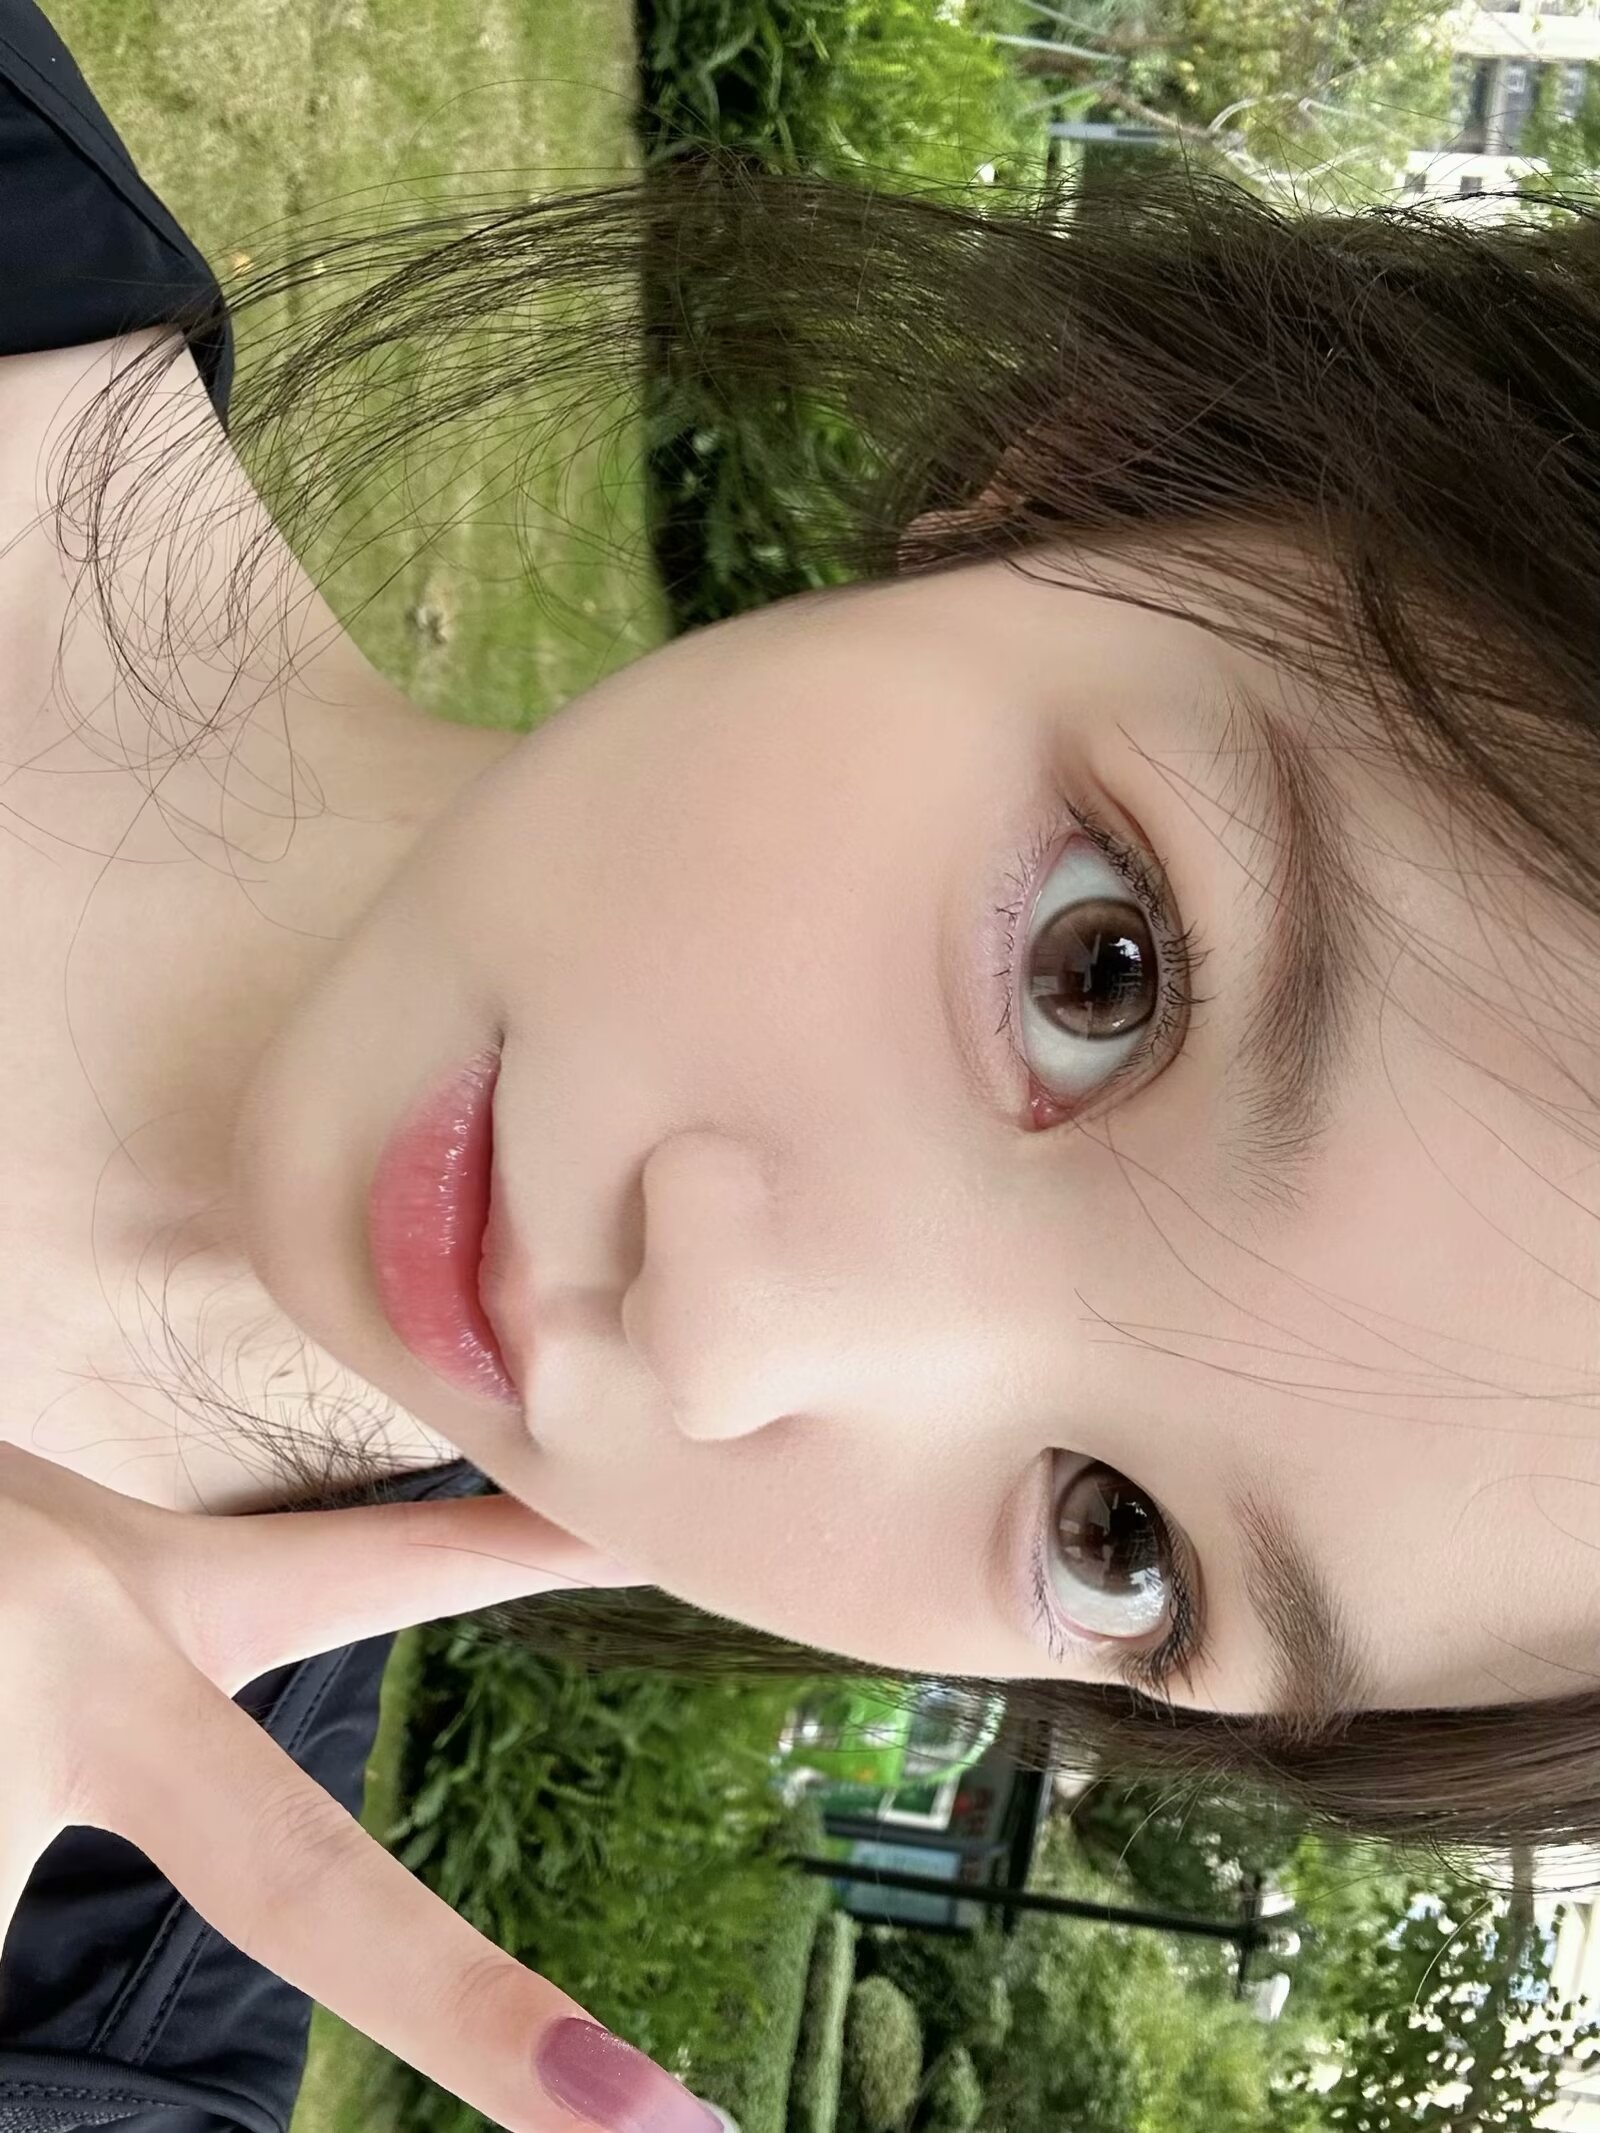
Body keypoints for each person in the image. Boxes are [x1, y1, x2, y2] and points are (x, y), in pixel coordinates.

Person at [5, 0, 1600, 2123]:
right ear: (1102, 479)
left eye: (1116, 1537)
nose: (726, 1336)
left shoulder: (78, 2006)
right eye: (1100, 972)